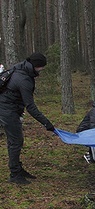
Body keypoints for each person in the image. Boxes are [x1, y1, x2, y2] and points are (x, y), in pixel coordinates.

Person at [0, 52, 55, 185]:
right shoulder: (24, 80)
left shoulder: (20, 67)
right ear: (37, 66)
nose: (42, 70)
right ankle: (15, 174)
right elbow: (30, 107)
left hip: (7, 107)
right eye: (42, 67)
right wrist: (46, 123)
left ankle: (18, 168)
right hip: (7, 110)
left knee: (16, 140)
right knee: (16, 141)